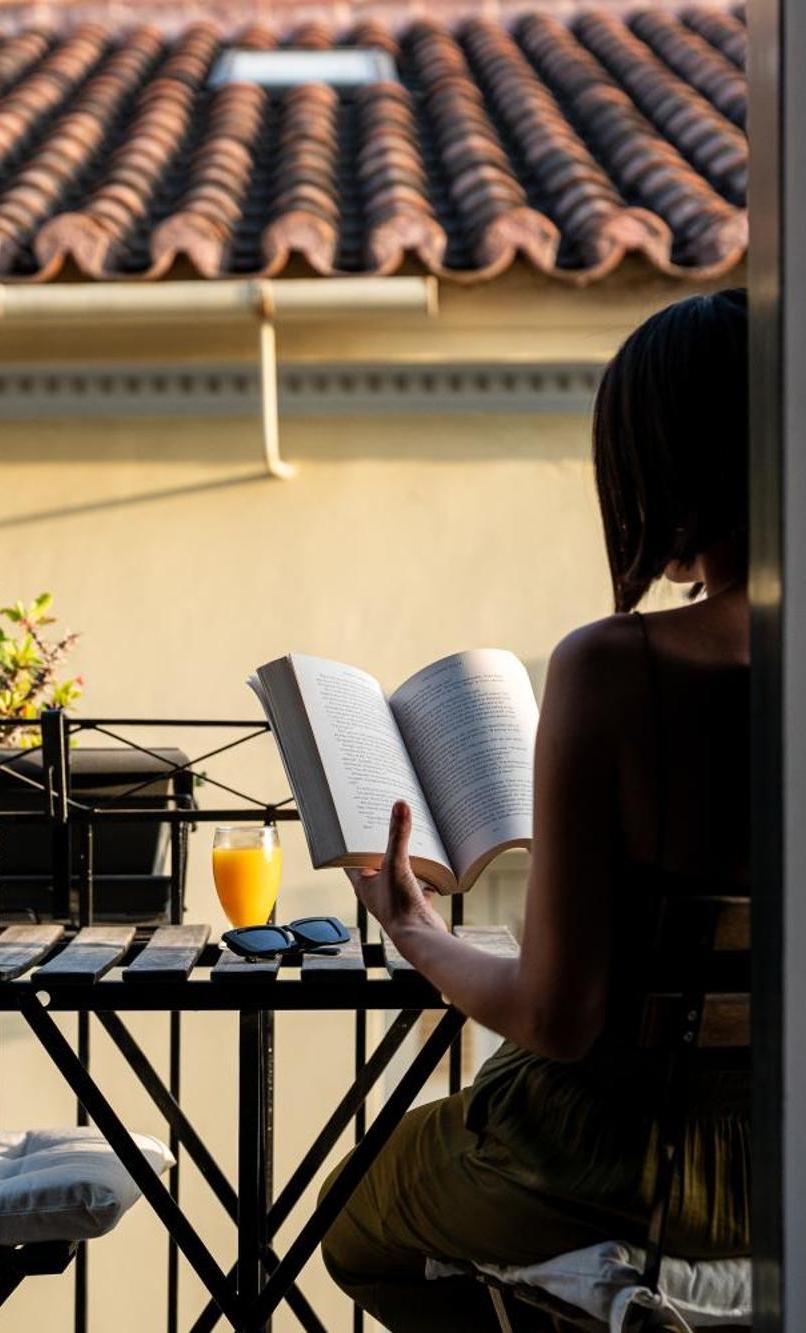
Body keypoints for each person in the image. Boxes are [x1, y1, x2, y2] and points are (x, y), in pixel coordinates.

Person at [320, 288, 753, 1330]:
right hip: (804, 1149)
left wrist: (419, 934)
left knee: (347, 1216)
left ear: (659, 470)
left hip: (612, 1166)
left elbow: (557, 1016)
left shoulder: (618, 666)